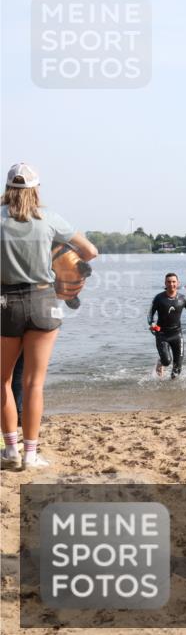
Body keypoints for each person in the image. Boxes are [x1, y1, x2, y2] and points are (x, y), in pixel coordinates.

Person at [2, 163, 98, 469]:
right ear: (36, 189)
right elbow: (91, 251)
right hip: (43, 300)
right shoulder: (49, 219)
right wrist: (61, 259)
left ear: (7, 188)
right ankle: (31, 454)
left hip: (6, 303)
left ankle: (10, 450)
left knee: (3, 381)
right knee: (34, 384)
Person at [148, 272, 186, 378]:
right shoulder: (158, 298)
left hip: (177, 335)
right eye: (169, 282)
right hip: (162, 334)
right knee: (167, 361)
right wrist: (152, 324)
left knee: (177, 369)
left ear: (178, 283)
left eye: (173, 282)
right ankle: (161, 362)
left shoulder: (182, 298)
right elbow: (150, 315)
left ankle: (172, 392)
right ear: (165, 283)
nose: (171, 284)